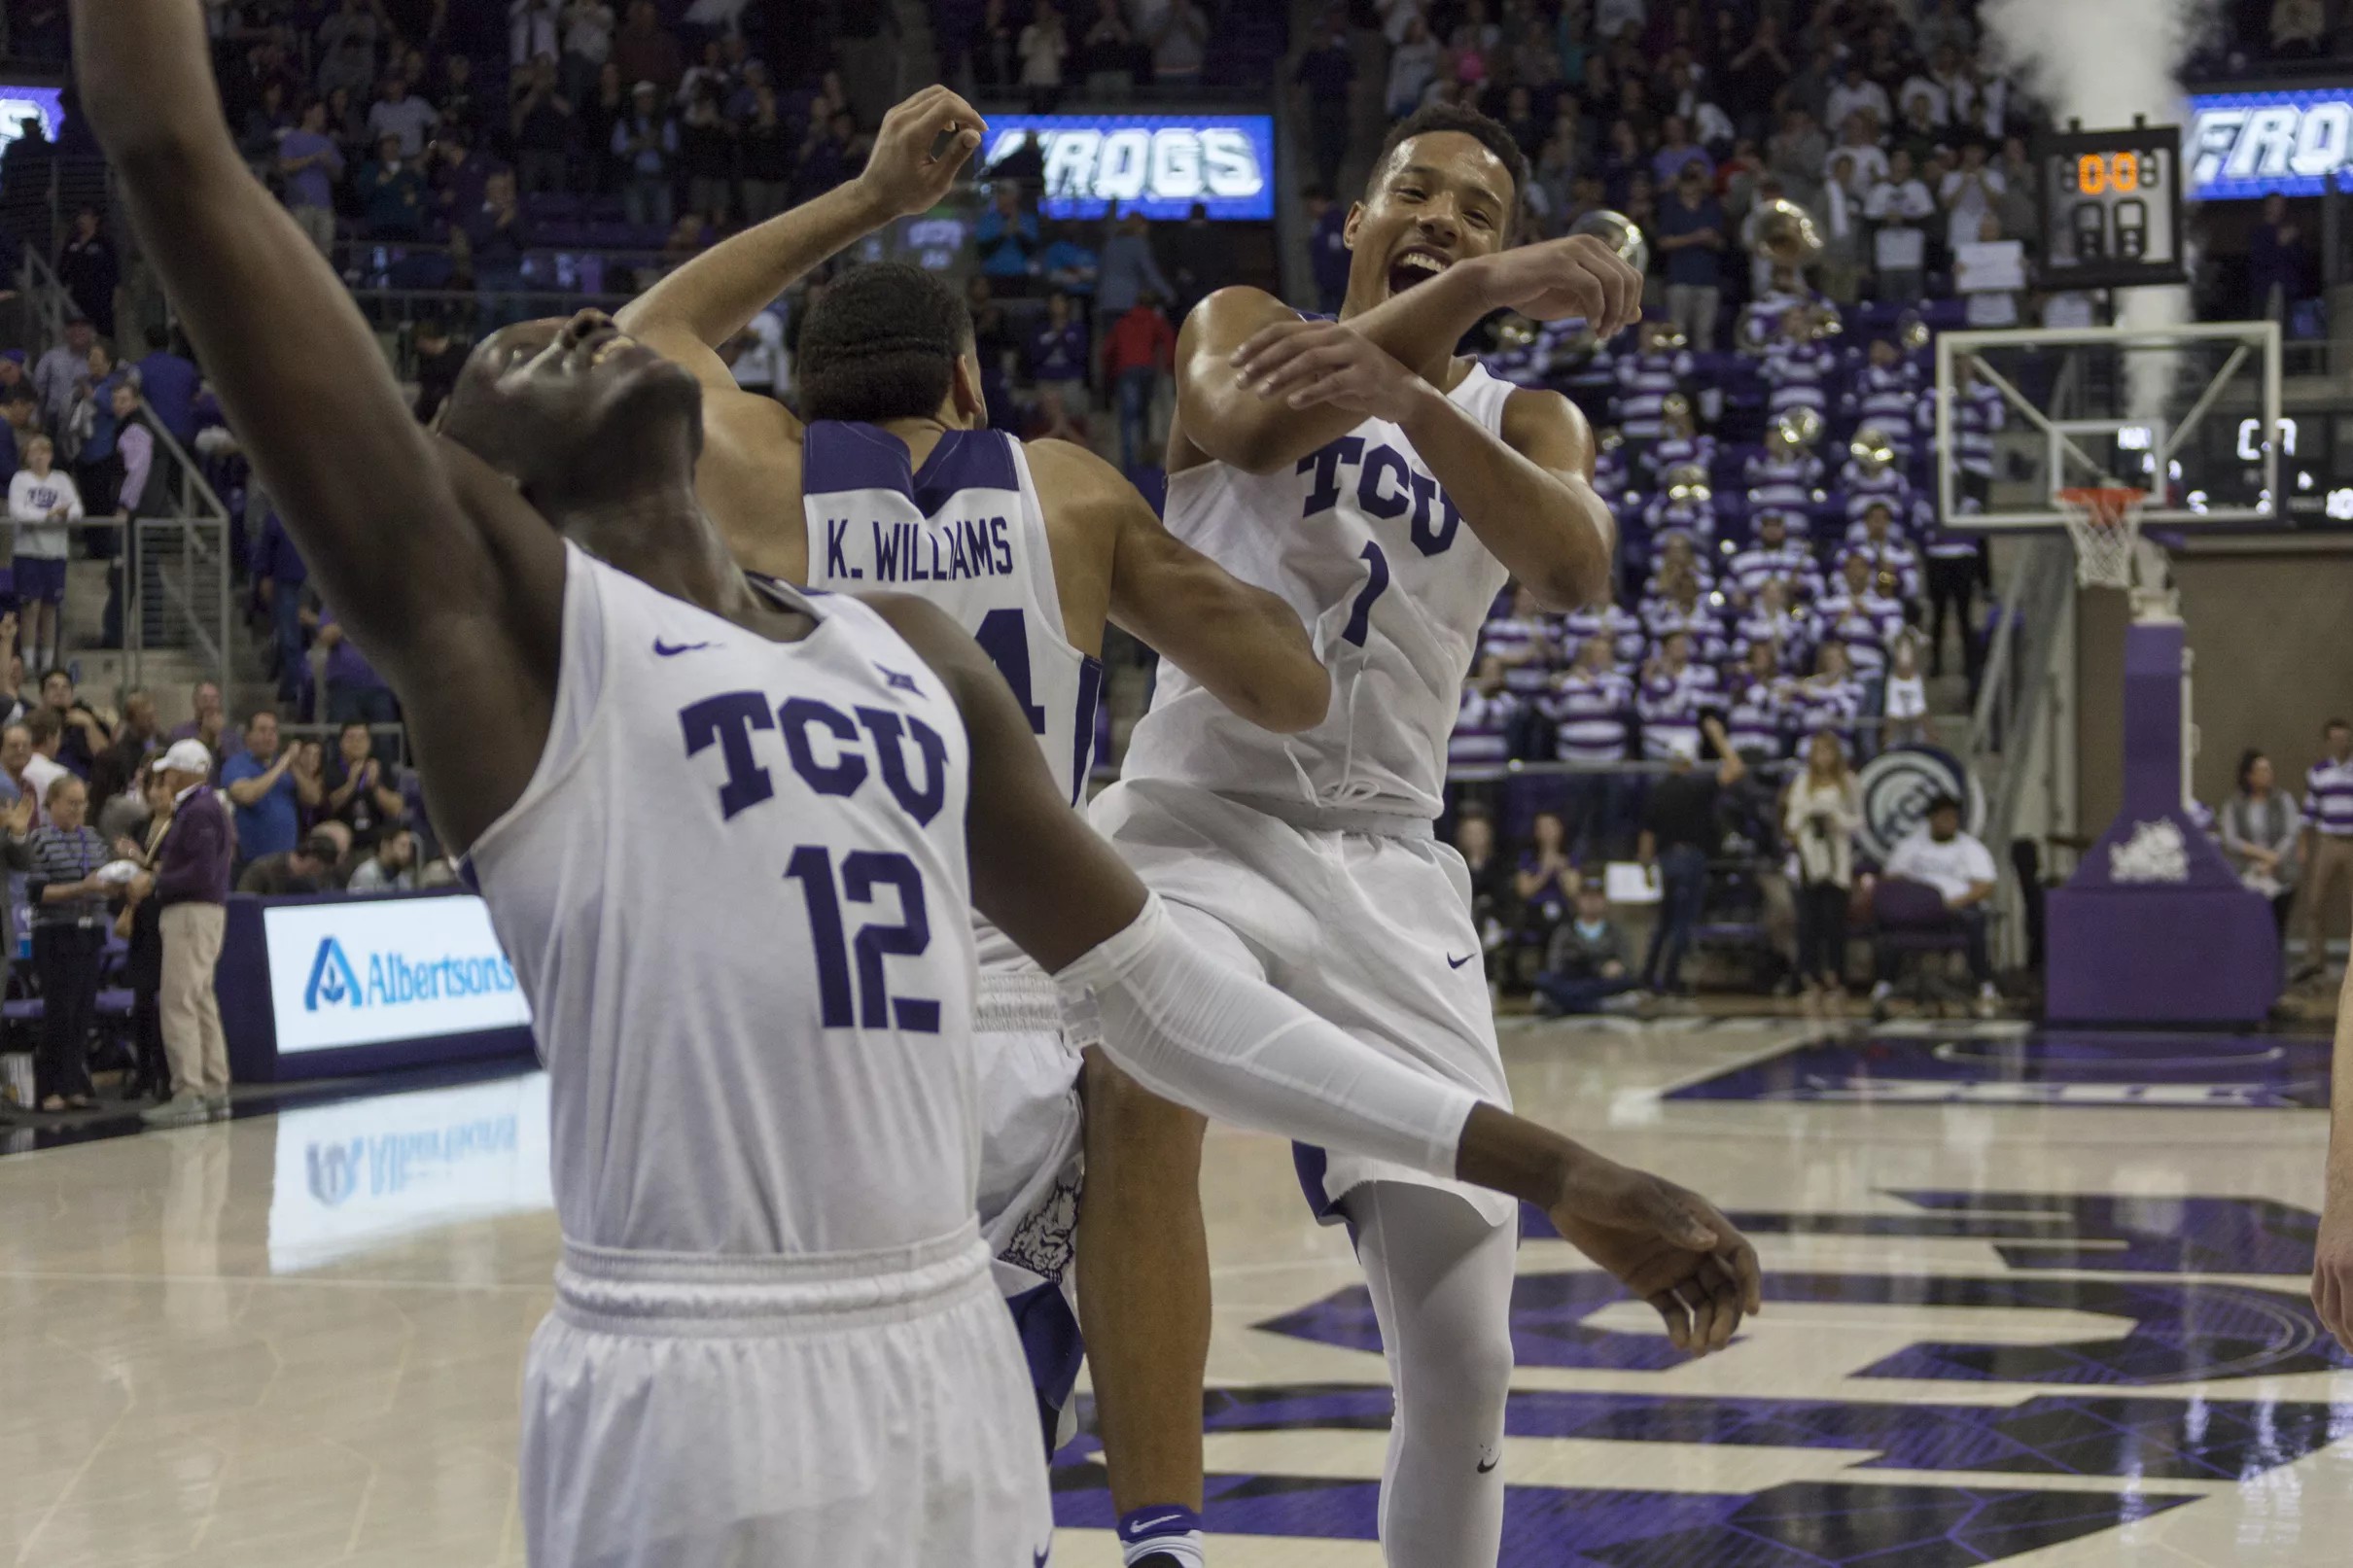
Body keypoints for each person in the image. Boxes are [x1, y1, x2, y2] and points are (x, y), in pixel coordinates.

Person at [77, 30, 1754, 1568]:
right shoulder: (530, 657)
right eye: (534, 344)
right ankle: (1159, 1521)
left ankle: (1157, 1522)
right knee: (1132, 1115)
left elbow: (1173, 993)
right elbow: (179, 165)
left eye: (591, 321)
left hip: (945, 1294)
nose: (592, 323)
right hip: (716, 1352)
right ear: (493, 498)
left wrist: (1563, 1166)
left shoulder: (902, 668)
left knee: (1163, 1114)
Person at [615, 91, 1326, 1463]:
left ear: (806, 395)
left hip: (817, 1003)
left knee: (833, 1455)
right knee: (994, 1445)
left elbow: (652, 334)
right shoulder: (1066, 490)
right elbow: (1290, 688)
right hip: (1015, 1010)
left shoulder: (757, 476)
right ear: (965, 385)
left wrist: (871, 200)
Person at [1082, 99, 1645, 1568]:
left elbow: (1575, 568)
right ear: (1355, 221)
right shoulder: (1240, 317)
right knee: (1139, 1075)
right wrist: (1467, 304)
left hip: (1392, 865)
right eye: (1418, 193)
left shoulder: (1528, 416)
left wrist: (1416, 392)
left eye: (1479, 210)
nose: (1447, 218)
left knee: (1470, 1358)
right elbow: (1256, 422)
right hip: (1200, 817)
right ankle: (1159, 1541)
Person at [137, 738, 233, 1128]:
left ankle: (189, 1092)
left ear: (180, 771)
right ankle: (214, 1089)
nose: (165, 777)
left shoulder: (198, 811)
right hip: (204, 911)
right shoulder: (206, 808)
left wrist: (156, 882)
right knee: (201, 1000)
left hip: (190, 913)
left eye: (169, 771)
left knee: (179, 1003)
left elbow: (199, 872)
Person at [3, 774, 106, 1108]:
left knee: (82, 1011)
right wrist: (81, 889)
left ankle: (74, 1082)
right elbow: (38, 892)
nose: (77, 810)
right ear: (52, 804)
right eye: (70, 803)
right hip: (56, 933)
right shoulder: (40, 840)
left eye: (82, 803)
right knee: (59, 1011)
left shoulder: (92, 838)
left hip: (90, 930)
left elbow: (104, 878)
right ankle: (49, 1088)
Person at [1639, 714, 1744, 994]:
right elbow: (1735, 768)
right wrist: (1718, 736)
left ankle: (1649, 975)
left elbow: (1647, 836)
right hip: (1691, 859)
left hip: (1666, 860)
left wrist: (1646, 868)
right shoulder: (1700, 785)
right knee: (1681, 923)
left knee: (1664, 920)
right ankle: (1670, 979)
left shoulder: (1658, 790)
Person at [1875, 792, 2000, 1017]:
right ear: (1932, 819)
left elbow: (1986, 885)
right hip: (1914, 913)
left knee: (1976, 919)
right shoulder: (1911, 846)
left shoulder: (1970, 848)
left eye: (1953, 818)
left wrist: (1955, 902)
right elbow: (1890, 880)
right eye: (1943, 817)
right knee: (1886, 921)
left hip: (1954, 910)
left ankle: (1985, 984)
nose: (1948, 822)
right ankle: (1884, 982)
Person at [1784, 728, 1858, 1010]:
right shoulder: (1803, 783)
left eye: (1827, 751)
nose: (1822, 757)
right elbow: (1791, 821)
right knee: (1808, 924)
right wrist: (1809, 813)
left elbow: (1858, 820)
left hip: (1837, 857)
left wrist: (1836, 819)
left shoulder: (1848, 782)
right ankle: (1810, 978)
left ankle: (1837, 977)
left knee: (1834, 923)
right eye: (1818, 752)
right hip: (1810, 859)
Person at [8, 436, 81, 673]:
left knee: (51, 609)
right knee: (31, 608)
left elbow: (76, 509)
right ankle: (29, 662)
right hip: (28, 552)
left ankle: (48, 664)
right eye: (34, 452)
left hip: (56, 553)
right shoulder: (20, 480)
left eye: (44, 452)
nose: (39, 457)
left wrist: (63, 516)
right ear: (27, 456)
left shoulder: (61, 480)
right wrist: (50, 516)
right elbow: (18, 512)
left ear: (50, 455)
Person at [220, 710, 319, 873]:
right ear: (248, 736)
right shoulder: (237, 764)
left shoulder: (288, 767)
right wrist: (284, 762)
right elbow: (247, 795)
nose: (269, 736)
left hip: (288, 861)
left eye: (273, 731)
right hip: (251, 863)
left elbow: (314, 798)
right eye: (262, 730)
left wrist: (294, 768)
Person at [2221, 748, 2301, 944]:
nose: (2268, 775)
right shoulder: (2234, 803)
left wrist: (2274, 859)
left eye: (2269, 770)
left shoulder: (2283, 799)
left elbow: (2291, 833)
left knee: (2276, 930)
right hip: (2248, 870)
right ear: (2249, 776)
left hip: (2278, 871)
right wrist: (2263, 855)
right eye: (2262, 770)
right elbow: (2231, 839)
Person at [1532, 883, 1640, 1015]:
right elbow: (1555, 966)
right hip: (1572, 982)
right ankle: (1594, 1006)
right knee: (1543, 981)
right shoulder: (1564, 932)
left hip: (1602, 983)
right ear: (1578, 901)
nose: (1591, 902)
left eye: (1597, 897)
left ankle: (1570, 1006)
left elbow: (1629, 966)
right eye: (1587, 897)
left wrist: (1617, 968)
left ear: (1605, 901)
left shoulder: (1616, 933)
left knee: (1629, 988)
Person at [2300, 717, 2353, 982]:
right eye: (2335, 738)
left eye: (2345, 738)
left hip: (2352, 841)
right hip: (2328, 840)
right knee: (2315, 902)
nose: (2341, 743)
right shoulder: (2319, 772)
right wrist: (2303, 846)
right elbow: (2309, 813)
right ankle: (2314, 961)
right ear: (2328, 741)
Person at [323, 717, 405, 844]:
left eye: (362, 738)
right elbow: (328, 806)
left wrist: (375, 785)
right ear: (341, 743)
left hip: (376, 841)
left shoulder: (379, 767)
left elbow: (396, 808)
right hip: (340, 841)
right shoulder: (332, 769)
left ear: (369, 743)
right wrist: (350, 784)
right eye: (351, 738)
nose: (356, 743)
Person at [235, 829, 340, 893]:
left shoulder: (316, 880)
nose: (318, 872)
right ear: (312, 860)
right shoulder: (262, 870)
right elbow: (245, 901)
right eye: (317, 866)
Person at [345, 824, 417, 890]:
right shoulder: (367, 873)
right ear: (386, 845)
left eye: (409, 847)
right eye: (403, 846)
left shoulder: (403, 876)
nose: (407, 853)